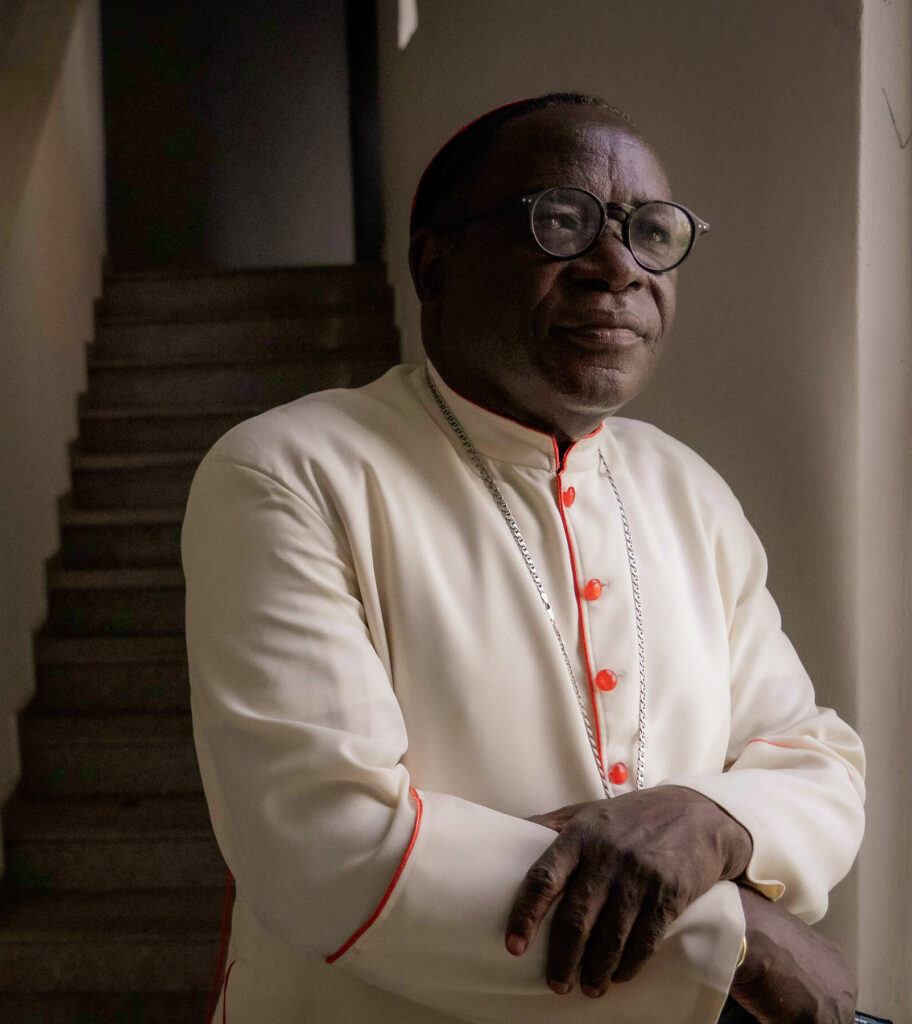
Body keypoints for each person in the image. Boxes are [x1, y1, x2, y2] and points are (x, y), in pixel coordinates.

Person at [183, 93, 865, 1023]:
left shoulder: (688, 489)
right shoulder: (290, 472)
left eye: (650, 232)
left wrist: (708, 819)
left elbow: (817, 762)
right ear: (436, 264)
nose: (617, 268)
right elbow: (329, 848)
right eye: (561, 221)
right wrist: (735, 937)